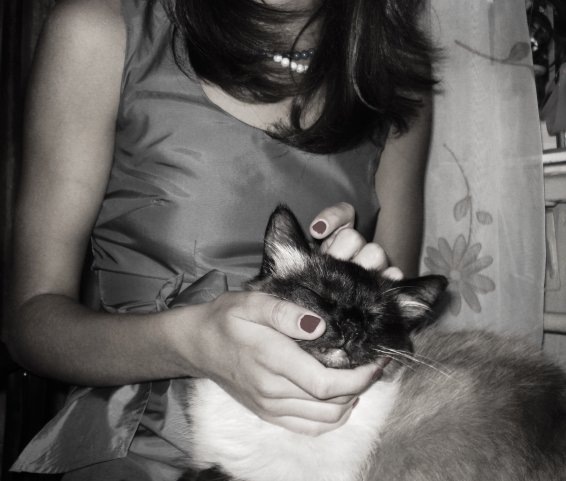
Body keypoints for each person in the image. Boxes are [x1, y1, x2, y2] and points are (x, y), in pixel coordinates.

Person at [5, 0, 436, 479]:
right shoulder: (101, 27)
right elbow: (30, 325)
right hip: (143, 445)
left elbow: (400, 349)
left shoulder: (394, 66)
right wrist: (188, 343)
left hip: (334, 448)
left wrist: (356, 283)